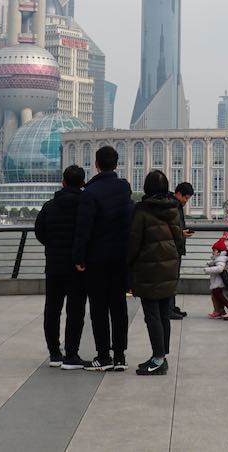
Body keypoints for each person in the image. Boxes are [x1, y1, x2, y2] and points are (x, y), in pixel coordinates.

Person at [73, 145, 134, 372]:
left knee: (98, 308)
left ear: (96, 164)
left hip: (97, 259)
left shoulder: (89, 193)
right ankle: (120, 356)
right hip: (120, 257)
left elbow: (83, 229)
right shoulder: (124, 188)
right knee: (119, 307)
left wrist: (79, 257)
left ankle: (103, 355)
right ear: (116, 164)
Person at [129, 170, 185, 376]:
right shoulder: (174, 208)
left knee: (152, 315)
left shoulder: (142, 210)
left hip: (148, 268)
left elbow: (134, 241)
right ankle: (161, 356)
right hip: (169, 267)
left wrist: (129, 265)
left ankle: (158, 359)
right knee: (163, 314)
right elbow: (179, 240)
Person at [35, 164, 89, 369]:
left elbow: (39, 231)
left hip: (54, 266)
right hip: (78, 267)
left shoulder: (49, 206)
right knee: (75, 311)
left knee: (52, 310)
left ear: (63, 182)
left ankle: (54, 354)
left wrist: (53, 245)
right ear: (83, 183)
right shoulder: (86, 205)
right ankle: (71, 354)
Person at [168, 181, 196, 320]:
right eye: (186, 198)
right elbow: (169, 229)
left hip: (176, 247)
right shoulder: (172, 206)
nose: (186, 201)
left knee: (173, 279)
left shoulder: (176, 205)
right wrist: (181, 234)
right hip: (172, 248)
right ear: (178, 194)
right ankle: (168, 309)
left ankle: (171, 307)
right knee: (170, 279)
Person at [204, 234, 228, 318]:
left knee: (215, 297)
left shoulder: (220, 258)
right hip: (219, 281)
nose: (212, 252)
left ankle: (217, 311)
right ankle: (221, 310)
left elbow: (220, 268)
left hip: (218, 282)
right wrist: (211, 263)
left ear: (219, 251)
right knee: (218, 297)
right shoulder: (222, 258)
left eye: (214, 250)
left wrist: (207, 270)